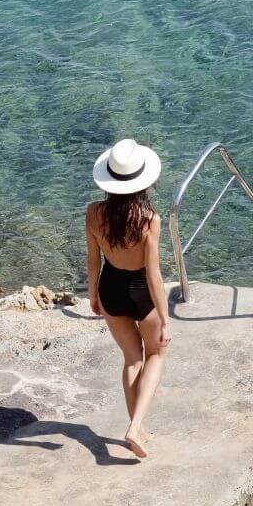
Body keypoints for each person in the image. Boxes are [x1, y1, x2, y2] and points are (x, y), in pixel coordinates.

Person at [85, 138, 170, 459]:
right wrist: (165, 318)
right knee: (157, 355)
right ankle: (136, 425)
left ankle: (138, 428)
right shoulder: (149, 220)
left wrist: (93, 294)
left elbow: (93, 261)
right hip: (141, 293)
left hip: (111, 289)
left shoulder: (94, 213)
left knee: (132, 359)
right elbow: (153, 275)